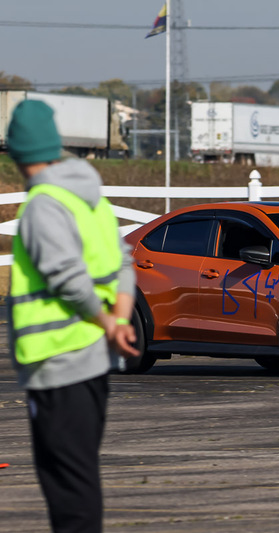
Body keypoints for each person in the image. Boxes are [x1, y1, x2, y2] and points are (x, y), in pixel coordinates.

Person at [6, 100, 139, 533]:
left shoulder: (43, 205)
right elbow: (123, 263)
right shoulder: (91, 200)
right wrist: (117, 322)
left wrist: (105, 323)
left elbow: (68, 279)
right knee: (79, 477)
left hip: (57, 361)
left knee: (67, 490)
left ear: (19, 155)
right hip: (91, 362)